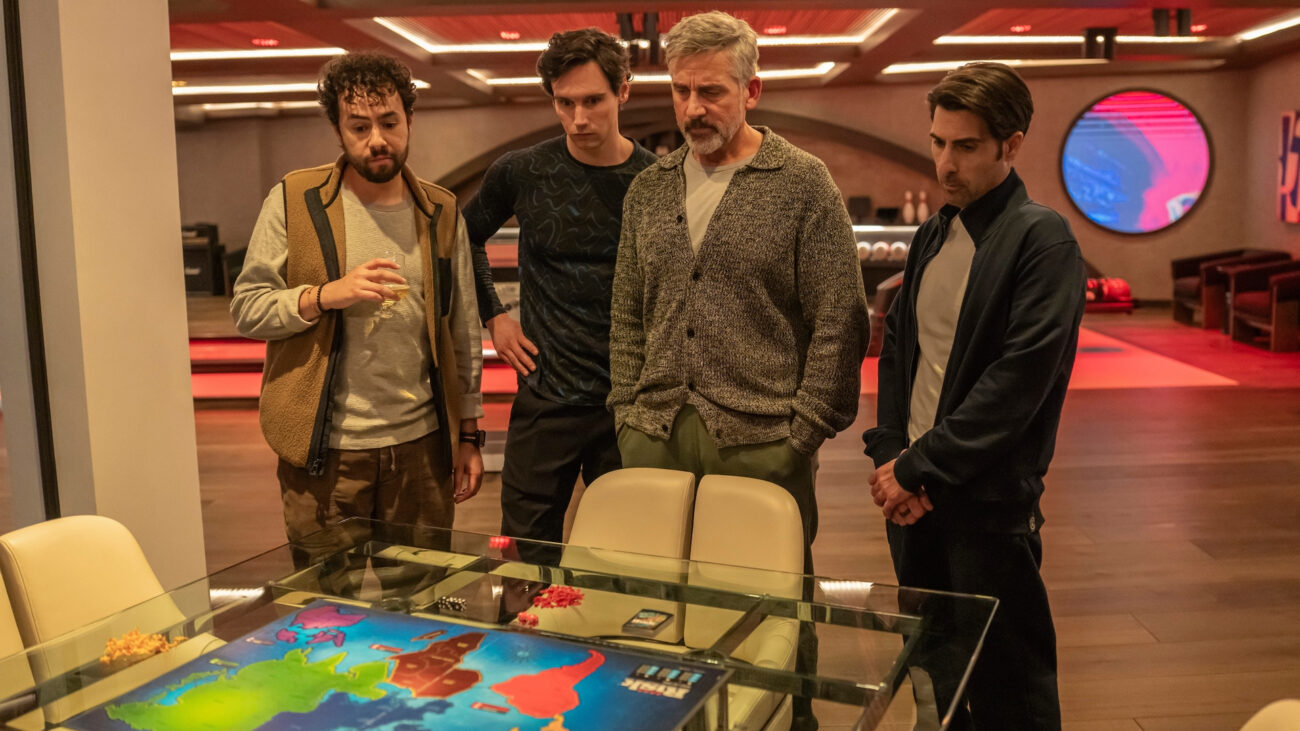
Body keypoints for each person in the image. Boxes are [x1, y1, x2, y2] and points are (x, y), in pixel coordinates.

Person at [609, 12, 868, 728]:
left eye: (713, 91)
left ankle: (793, 719)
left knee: (775, 610)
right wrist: (627, 412)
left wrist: (804, 430)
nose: (694, 108)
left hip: (762, 440)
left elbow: (840, 319)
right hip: (655, 433)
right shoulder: (650, 190)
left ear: (753, 89)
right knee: (658, 606)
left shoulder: (802, 184)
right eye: (683, 91)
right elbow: (627, 313)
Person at [864, 62, 1085, 730]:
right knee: (935, 670)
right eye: (938, 142)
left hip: (986, 503)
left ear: (1011, 145)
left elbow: (1016, 386)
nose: (945, 163)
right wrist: (890, 454)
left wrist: (915, 468)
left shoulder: (1041, 239)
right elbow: (901, 355)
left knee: (1011, 686)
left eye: (964, 146)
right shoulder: (936, 233)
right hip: (915, 501)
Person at [231, 52, 484, 565]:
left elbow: (462, 329)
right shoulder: (294, 199)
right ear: (338, 130)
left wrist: (470, 434)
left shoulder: (440, 210)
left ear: (409, 120)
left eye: (390, 122)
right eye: (360, 126)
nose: (377, 139)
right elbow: (248, 307)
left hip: (421, 450)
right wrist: (325, 295)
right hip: (325, 455)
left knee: (425, 603)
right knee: (326, 612)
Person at [464, 28, 657, 546]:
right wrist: (495, 316)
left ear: (624, 91)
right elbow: (463, 238)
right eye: (564, 103)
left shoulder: (657, 181)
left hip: (628, 406)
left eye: (593, 100)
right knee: (525, 556)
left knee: (628, 559)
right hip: (546, 395)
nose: (579, 119)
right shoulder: (524, 171)